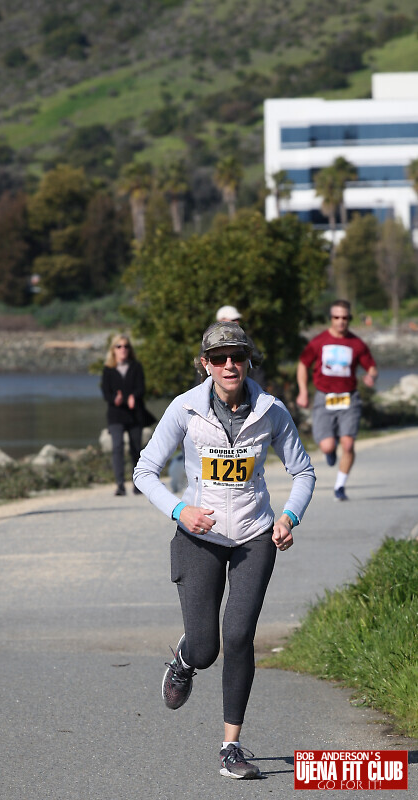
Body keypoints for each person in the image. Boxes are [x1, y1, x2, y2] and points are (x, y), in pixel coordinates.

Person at [133, 321, 315, 780]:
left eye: (237, 356)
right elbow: (144, 471)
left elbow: (303, 472)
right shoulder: (185, 409)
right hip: (199, 538)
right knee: (206, 648)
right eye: (219, 358)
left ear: (248, 361)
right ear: (205, 364)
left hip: (255, 535)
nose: (229, 365)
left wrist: (288, 517)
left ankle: (230, 747)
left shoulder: (271, 411)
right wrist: (180, 511)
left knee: (238, 637)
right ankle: (186, 659)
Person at [296, 299, 377, 502]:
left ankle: (340, 486)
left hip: (349, 398)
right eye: (336, 317)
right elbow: (303, 364)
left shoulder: (357, 344)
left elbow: (371, 367)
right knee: (327, 446)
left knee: (348, 445)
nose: (341, 321)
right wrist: (303, 392)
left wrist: (371, 376)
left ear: (349, 318)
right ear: (331, 318)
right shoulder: (319, 341)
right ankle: (330, 452)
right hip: (324, 397)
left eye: (344, 317)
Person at [101, 334, 152, 496]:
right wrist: (114, 399)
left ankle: (138, 484)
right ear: (113, 350)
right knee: (117, 447)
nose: (123, 349)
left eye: (126, 346)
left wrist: (133, 397)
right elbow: (105, 392)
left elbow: (141, 388)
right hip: (116, 414)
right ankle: (120, 484)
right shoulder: (108, 369)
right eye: (119, 346)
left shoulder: (136, 366)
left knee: (136, 448)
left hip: (134, 414)